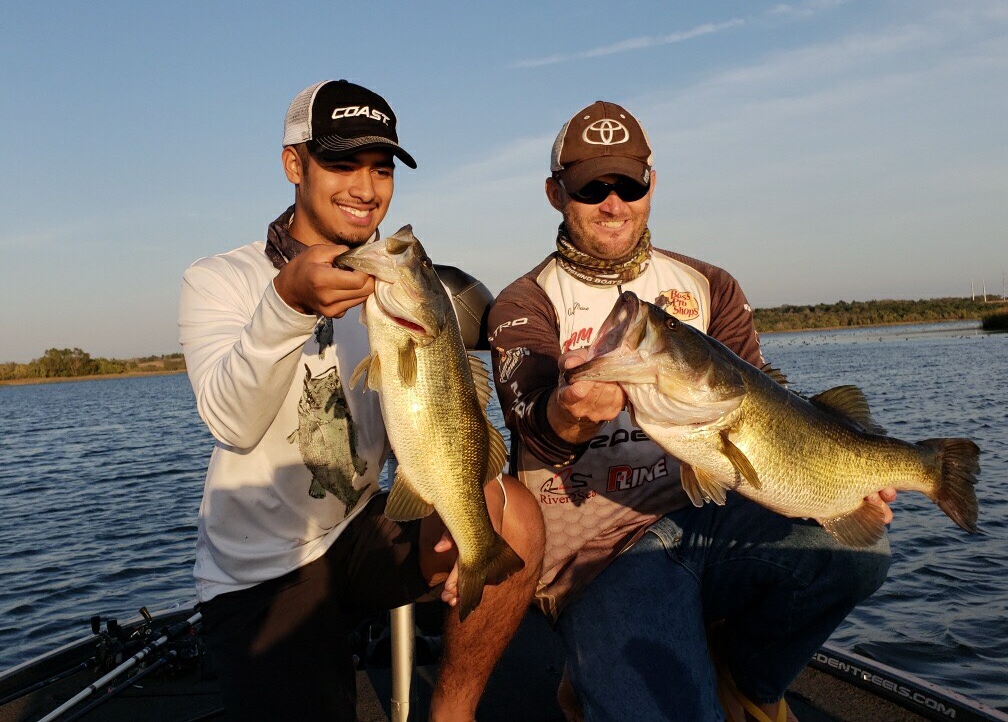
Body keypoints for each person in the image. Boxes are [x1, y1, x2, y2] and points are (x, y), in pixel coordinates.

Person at [488, 100, 894, 722]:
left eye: (629, 182)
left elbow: (770, 419)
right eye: (592, 186)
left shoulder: (710, 286)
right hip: (600, 553)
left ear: (652, 183)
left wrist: (842, 478)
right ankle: (596, 668)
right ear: (555, 193)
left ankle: (746, 679)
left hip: (709, 519)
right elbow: (531, 425)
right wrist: (571, 413)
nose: (613, 202)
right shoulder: (525, 303)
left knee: (856, 554)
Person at [178, 79, 544, 722]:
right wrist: (287, 303)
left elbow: (432, 423)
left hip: (355, 530)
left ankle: (452, 711)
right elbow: (232, 425)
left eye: (380, 169)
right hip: (264, 570)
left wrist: (463, 524)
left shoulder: (387, 292)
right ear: (295, 164)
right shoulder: (221, 281)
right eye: (342, 164)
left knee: (507, 512)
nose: (365, 188)